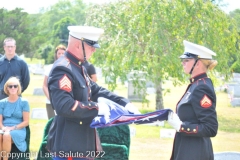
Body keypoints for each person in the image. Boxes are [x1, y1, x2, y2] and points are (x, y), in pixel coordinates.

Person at [46, 26, 140, 160]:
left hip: (81, 144)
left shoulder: (79, 67)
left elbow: (96, 90)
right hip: (70, 147)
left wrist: (124, 103)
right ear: (78, 45)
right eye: (91, 45)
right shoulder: (63, 68)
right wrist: (99, 108)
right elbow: (64, 106)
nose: (94, 49)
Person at [167, 40, 218, 160]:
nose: (183, 63)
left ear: (198, 63)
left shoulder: (202, 87)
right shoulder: (196, 84)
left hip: (195, 152)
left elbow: (210, 127)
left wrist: (182, 127)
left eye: (186, 60)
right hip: (186, 147)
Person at [0, 77, 30, 160]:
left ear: (18, 88)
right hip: (5, 128)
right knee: (0, 135)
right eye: (10, 86)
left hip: (18, 128)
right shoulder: (1, 103)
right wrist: (3, 128)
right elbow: (0, 122)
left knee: (6, 135)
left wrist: (12, 128)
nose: (13, 88)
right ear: (7, 88)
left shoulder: (24, 102)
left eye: (15, 86)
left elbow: (26, 122)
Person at [42, 44, 66, 119]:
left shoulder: (69, 68)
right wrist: (51, 98)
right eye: (59, 53)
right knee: (52, 124)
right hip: (50, 102)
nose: (61, 55)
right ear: (56, 55)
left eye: (63, 53)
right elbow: (44, 85)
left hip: (64, 102)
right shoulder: (49, 68)